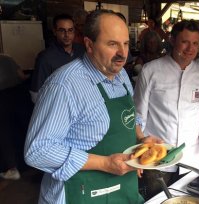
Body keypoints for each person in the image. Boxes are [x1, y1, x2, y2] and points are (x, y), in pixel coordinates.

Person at [24, 9, 161, 204]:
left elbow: (130, 118)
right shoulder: (64, 85)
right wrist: (104, 163)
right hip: (80, 192)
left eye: (126, 44)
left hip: (123, 187)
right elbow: (37, 151)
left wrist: (141, 138)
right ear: (89, 44)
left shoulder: (120, 74)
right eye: (112, 44)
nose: (123, 54)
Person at [134, 20, 199, 200]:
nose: (190, 48)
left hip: (190, 157)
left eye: (195, 43)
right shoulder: (150, 71)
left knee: (189, 201)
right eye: (185, 41)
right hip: (157, 160)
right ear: (172, 40)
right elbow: (138, 115)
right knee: (156, 201)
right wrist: (138, 152)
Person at [30, 14, 85, 103]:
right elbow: (35, 94)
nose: (67, 35)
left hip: (82, 101)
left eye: (70, 30)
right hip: (59, 103)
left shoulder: (82, 51)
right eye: (62, 30)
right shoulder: (45, 58)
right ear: (55, 31)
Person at [0, 54, 32, 180]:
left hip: (1, 100)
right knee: (23, 129)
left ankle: (12, 169)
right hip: (18, 95)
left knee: (4, 134)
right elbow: (22, 76)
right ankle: (30, 162)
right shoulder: (8, 59)